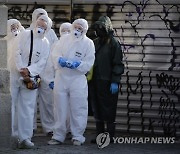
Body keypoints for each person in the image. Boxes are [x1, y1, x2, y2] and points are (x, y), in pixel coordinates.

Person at [48, 18, 95, 146]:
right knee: (59, 107)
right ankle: (58, 135)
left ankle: (78, 136)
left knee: (78, 107)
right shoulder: (64, 39)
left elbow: (89, 62)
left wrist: (78, 64)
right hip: (61, 77)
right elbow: (54, 54)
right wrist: (60, 61)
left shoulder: (88, 43)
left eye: (80, 29)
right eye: (76, 27)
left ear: (84, 30)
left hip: (77, 79)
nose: (77, 30)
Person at [15, 15, 51, 148]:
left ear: (47, 28)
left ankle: (25, 138)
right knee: (13, 106)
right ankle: (13, 135)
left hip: (31, 77)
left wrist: (29, 71)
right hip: (17, 74)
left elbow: (42, 61)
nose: (40, 28)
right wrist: (21, 68)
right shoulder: (25, 34)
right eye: (39, 25)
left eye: (43, 26)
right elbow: (17, 51)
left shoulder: (46, 43)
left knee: (28, 109)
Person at [90, 16, 124, 143]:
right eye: (97, 28)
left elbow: (118, 64)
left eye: (100, 28)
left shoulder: (114, 43)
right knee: (97, 109)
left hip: (108, 82)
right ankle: (100, 136)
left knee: (109, 110)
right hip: (95, 82)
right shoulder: (95, 43)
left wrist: (115, 80)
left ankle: (110, 136)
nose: (98, 30)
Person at [28, 8, 58, 133]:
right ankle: (30, 127)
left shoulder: (51, 34)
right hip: (32, 70)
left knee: (48, 102)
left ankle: (49, 128)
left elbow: (56, 51)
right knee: (30, 101)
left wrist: (56, 72)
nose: (41, 19)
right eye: (38, 17)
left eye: (43, 17)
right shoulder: (28, 32)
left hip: (48, 71)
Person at [6, 19, 24, 139]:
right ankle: (11, 129)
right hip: (10, 75)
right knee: (11, 103)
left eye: (16, 27)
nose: (15, 29)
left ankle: (20, 131)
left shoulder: (24, 40)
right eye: (12, 27)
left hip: (22, 75)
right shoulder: (5, 41)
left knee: (21, 105)